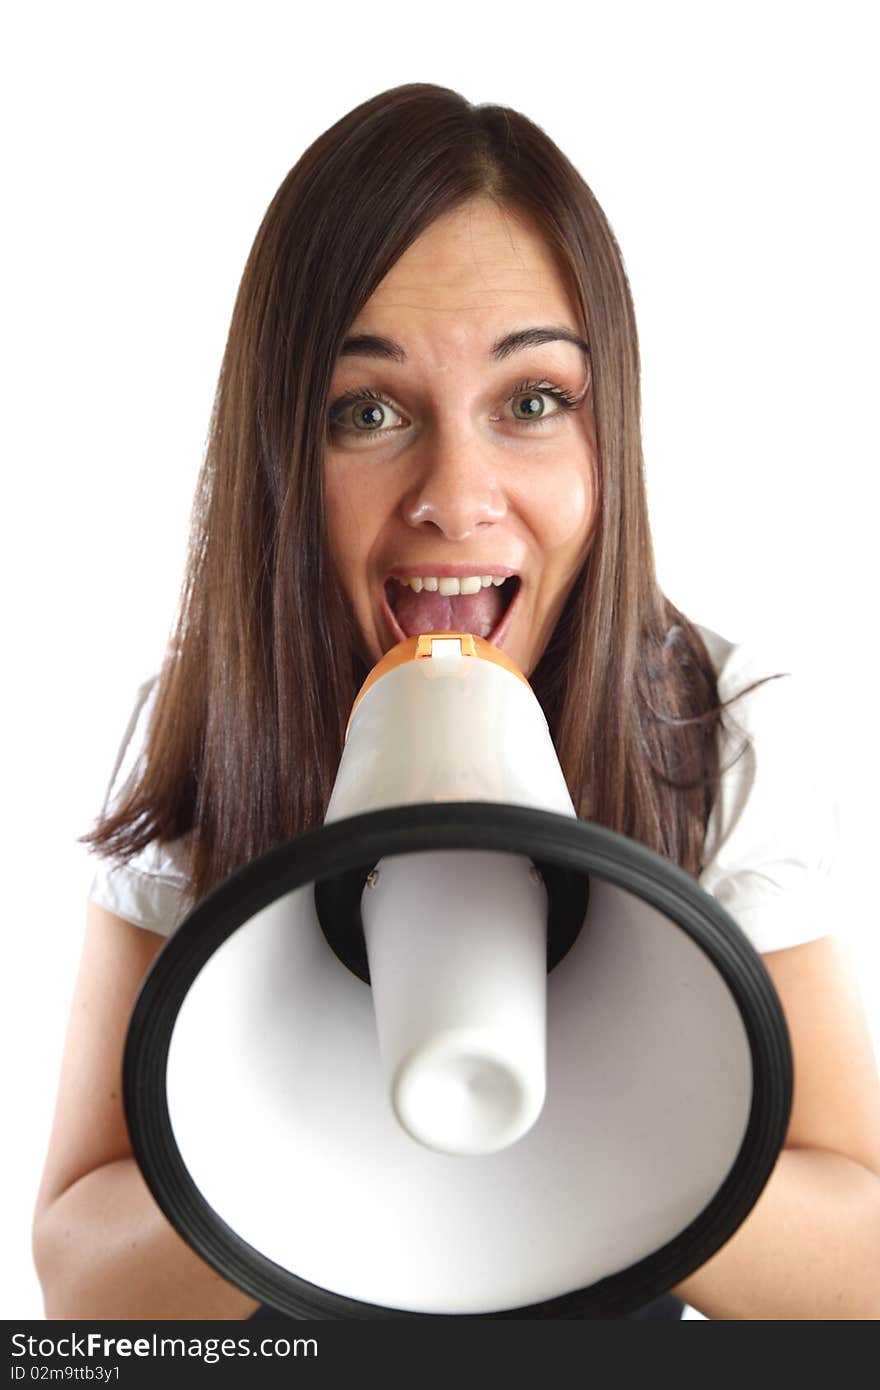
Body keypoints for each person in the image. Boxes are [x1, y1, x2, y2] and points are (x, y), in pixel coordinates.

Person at [32, 83, 880, 1321]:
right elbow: (80, 1291)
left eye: (531, 402)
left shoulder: (708, 722)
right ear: (280, 447)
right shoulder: (201, 718)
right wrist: (333, 1126)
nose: (457, 494)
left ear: (610, 435)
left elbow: (858, 1278)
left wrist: (587, 1107)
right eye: (366, 411)